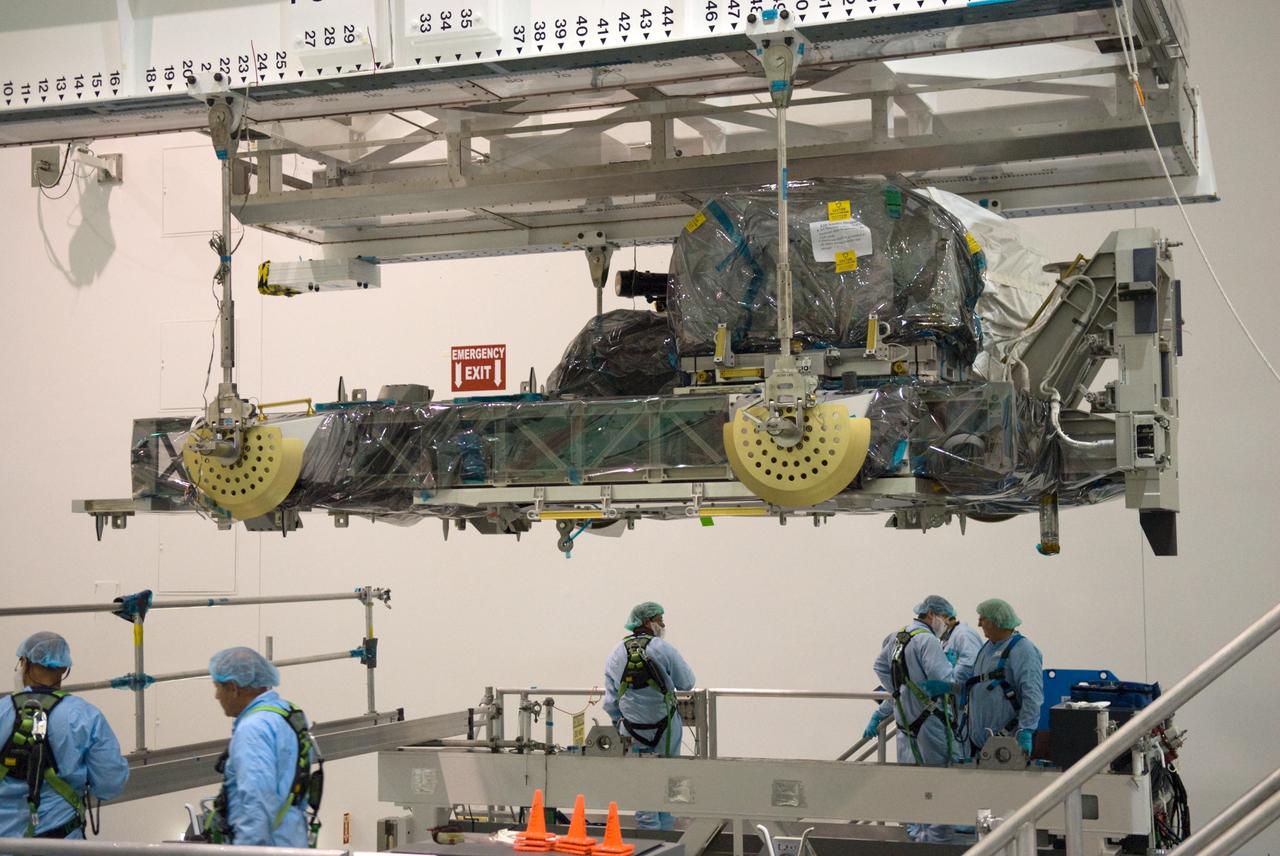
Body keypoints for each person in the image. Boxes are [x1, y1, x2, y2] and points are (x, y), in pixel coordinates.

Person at [0, 632, 129, 839]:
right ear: (64, 668)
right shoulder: (85, 716)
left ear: (24, 663)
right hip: (62, 843)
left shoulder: (2, 711)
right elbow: (110, 783)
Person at [204, 647, 321, 847]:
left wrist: (248, 850)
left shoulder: (253, 729)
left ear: (233, 688)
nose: (216, 696)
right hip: (292, 839)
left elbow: (257, 802)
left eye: (218, 688)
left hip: (266, 845)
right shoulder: (286, 714)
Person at [869, 597, 961, 843]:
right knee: (939, 779)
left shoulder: (898, 636)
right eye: (945, 618)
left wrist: (899, 691)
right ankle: (937, 836)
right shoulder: (927, 640)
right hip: (930, 719)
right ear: (931, 614)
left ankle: (916, 831)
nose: (946, 624)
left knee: (911, 778)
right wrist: (951, 668)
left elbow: (880, 666)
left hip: (905, 719)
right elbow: (944, 678)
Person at [602, 602, 695, 831]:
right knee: (667, 781)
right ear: (647, 622)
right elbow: (687, 682)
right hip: (666, 729)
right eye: (659, 619)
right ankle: (666, 840)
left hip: (631, 730)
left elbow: (611, 701)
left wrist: (619, 723)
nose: (662, 624)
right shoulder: (663, 649)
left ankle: (648, 838)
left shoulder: (615, 653)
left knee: (642, 784)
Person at [958, 598, 1044, 759]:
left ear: (995, 621)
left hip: (1008, 743)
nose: (979, 624)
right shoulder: (987, 648)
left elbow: (1032, 694)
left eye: (982, 619)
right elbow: (976, 682)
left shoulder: (1023, 650)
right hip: (980, 744)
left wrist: (1026, 730)